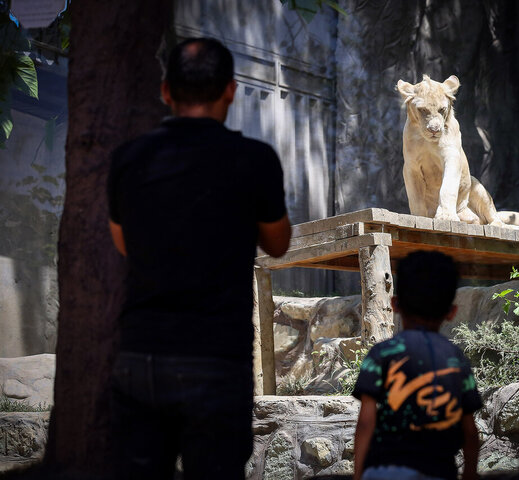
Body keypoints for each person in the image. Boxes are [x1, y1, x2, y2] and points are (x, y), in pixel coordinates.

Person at [106, 37, 290, 479]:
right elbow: (278, 243)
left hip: (141, 354)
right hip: (217, 358)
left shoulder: (128, 159)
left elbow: (123, 243)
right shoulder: (255, 160)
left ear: (166, 91)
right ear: (230, 89)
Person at [352, 251, 482, 480]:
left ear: (394, 304)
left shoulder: (381, 354)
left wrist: (359, 474)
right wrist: (470, 473)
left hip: (384, 472)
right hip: (439, 472)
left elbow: (366, 422)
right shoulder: (456, 359)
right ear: (452, 313)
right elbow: (470, 433)